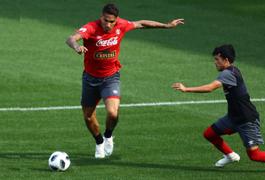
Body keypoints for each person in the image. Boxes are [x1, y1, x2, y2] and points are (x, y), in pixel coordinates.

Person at [66, 3, 184, 158]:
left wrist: (166, 26)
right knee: (88, 116)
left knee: (113, 113)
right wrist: (76, 47)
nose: (108, 24)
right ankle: (99, 142)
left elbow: (141, 23)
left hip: (111, 77)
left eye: (111, 22)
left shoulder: (122, 25)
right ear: (101, 17)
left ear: (116, 20)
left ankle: (108, 136)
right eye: (105, 20)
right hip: (90, 79)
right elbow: (71, 38)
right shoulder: (91, 28)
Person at [172, 44, 265, 175]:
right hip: (233, 117)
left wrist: (186, 89)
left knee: (254, 155)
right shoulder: (232, 70)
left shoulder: (228, 73)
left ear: (226, 60)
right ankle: (230, 156)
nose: (215, 63)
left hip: (246, 119)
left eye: (217, 60)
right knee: (209, 134)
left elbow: (210, 88)